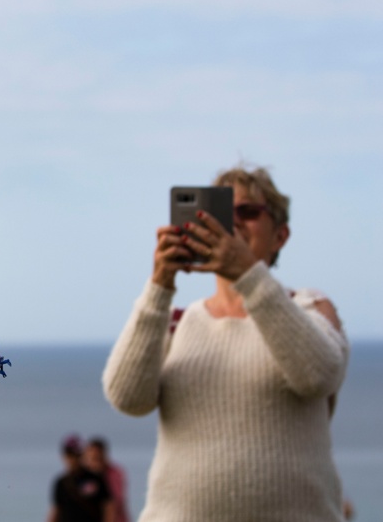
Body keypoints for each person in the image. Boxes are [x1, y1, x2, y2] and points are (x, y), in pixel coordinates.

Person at [103, 165, 348, 521]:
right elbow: (127, 398)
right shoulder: (175, 322)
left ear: (280, 236)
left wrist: (249, 275)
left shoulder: (309, 308)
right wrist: (159, 285)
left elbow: (319, 375)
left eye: (247, 213)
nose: (230, 224)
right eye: (219, 213)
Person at [47, 434, 115, 522]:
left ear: (82, 455)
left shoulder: (96, 479)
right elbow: (56, 510)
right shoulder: (61, 482)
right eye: (69, 455)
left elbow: (108, 507)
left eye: (75, 455)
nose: (72, 459)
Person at [83, 437, 128, 522]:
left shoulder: (114, 474)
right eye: (91, 459)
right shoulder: (82, 477)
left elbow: (116, 501)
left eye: (97, 458)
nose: (93, 463)